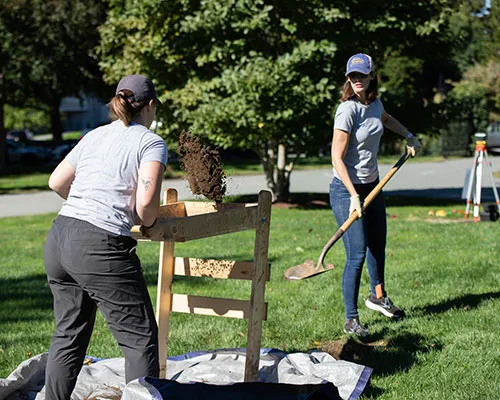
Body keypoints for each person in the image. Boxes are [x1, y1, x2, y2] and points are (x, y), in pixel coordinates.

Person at [43, 74, 167, 398]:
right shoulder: (150, 142)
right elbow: (146, 208)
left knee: (68, 337)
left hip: (59, 238)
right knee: (139, 339)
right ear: (150, 105)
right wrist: (145, 216)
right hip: (100, 246)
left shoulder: (94, 135)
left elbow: (56, 182)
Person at [330, 53, 421, 337]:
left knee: (377, 245)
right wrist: (352, 194)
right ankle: (351, 319)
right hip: (347, 190)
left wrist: (408, 134)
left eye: (361, 75)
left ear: (371, 76)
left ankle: (377, 296)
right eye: (352, 76)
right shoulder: (347, 110)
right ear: (348, 79)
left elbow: (385, 118)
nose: (356, 80)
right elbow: (336, 157)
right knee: (356, 254)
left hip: (373, 185)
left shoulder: (374, 103)